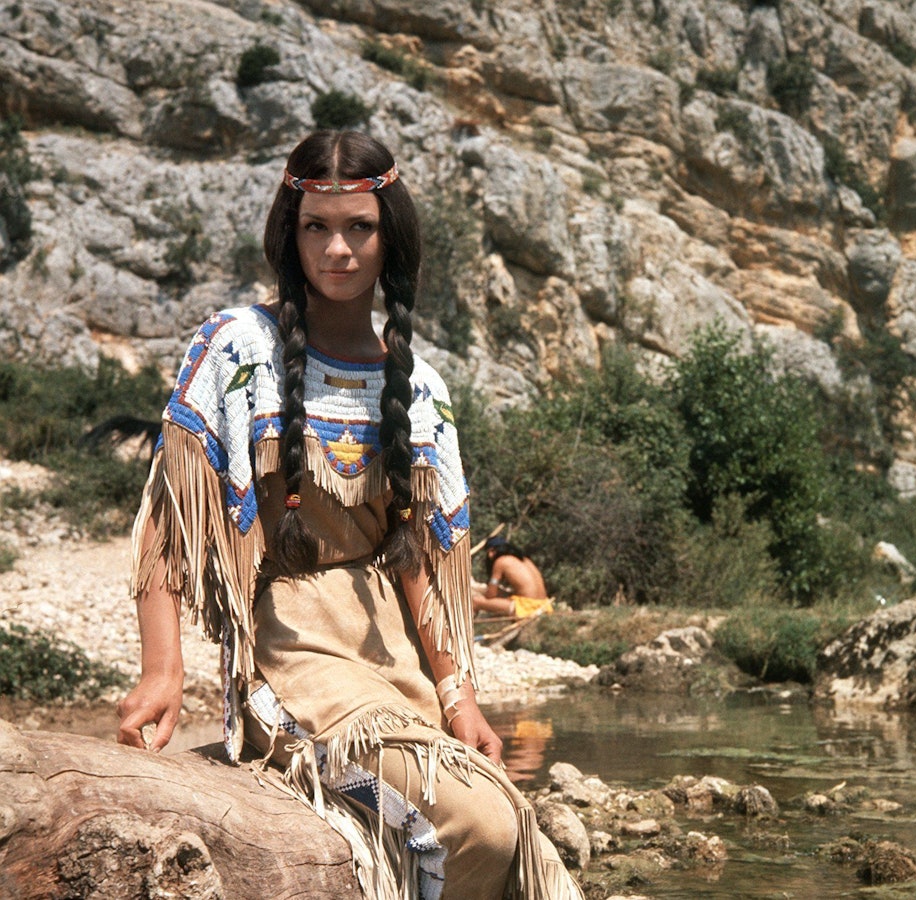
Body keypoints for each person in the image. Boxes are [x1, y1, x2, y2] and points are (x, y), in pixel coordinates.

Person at [116, 130, 582, 900]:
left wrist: (459, 698)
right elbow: (171, 524)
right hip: (294, 661)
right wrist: (162, 672)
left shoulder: (421, 388)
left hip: (398, 668)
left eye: (358, 227)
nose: (337, 249)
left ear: (388, 234)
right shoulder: (237, 347)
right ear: (288, 234)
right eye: (317, 228)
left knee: (511, 823)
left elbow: (426, 567)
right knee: (486, 826)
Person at [472, 535, 554, 619]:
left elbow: (490, 595)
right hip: (544, 605)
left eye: (491, 551)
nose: (489, 555)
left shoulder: (500, 562)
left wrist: (488, 589)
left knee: (475, 601)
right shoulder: (525, 559)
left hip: (527, 607)